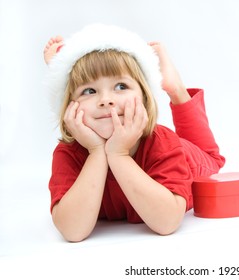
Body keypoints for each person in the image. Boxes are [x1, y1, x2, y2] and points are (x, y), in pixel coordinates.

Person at [44, 24, 225, 242]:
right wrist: (96, 152)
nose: (106, 100)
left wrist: (118, 154)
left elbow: (167, 222)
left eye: (120, 86)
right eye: (89, 91)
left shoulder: (162, 142)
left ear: (145, 98)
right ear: (69, 108)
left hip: (193, 162)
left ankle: (175, 88)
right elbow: (72, 231)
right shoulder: (68, 153)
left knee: (212, 159)